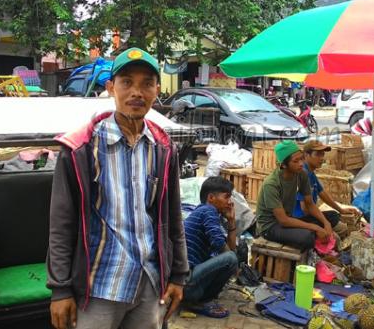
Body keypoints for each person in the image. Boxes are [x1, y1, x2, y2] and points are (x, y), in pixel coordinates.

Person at [47, 48, 189, 329]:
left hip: (149, 282)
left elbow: (172, 217)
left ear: (157, 89)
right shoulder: (81, 150)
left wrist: (178, 275)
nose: (137, 92)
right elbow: (61, 224)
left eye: (147, 83)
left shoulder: (162, 148)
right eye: (127, 82)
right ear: (111, 87)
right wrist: (60, 289)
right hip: (99, 286)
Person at [255, 140, 334, 251]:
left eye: (301, 158)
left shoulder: (301, 174)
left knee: (332, 217)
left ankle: (318, 234)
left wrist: (326, 223)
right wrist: (315, 227)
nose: (301, 163)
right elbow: (283, 220)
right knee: (307, 237)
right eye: (296, 161)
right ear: (283, 165)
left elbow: (310, 204)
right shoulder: (271, 184)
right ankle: (315, 246)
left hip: (289, 219)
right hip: (271, 227)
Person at [182, 177, 238, 318]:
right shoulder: (208, 210)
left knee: (230, 258)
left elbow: (229, 250)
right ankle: (197, 302)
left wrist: (231, 222)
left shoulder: (205, 213)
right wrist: (236, 267)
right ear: (211, 198)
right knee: (231, 259)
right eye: (226, 197)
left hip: (186, 283)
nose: (229, 202)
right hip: (186, 283)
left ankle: (198, 299)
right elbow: (222, 247)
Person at [294, 140, 362, 238]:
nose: (322, 158)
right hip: (300, 218)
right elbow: (305, 209)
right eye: (317, 154)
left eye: (322, 154)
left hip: (308, 214)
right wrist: (323, 223)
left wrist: (341, 209)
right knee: (338, 232)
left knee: (334, 215)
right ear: (306, 155)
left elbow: (322, 193)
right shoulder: (303, 173)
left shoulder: (310, 172)